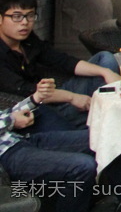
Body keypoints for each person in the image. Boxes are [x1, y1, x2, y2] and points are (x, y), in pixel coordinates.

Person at [0, 0, 119, 131]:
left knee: (106, 60)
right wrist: (72, 97)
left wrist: (105, 72)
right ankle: (98, 121)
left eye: (30, 16)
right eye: (17, 17)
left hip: (54, 97)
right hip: (32, 110)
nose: (25, 22)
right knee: (99, 116)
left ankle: (99, 117)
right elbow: (28, 92)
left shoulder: (28, 40)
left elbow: (63, 61)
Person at [0, 78, 98, 212]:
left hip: (21, 139)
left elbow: (7, 115)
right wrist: (11, 120)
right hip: (7, 157)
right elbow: (9, 119)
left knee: (100, 138)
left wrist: (36, 98)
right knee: (83, 166)